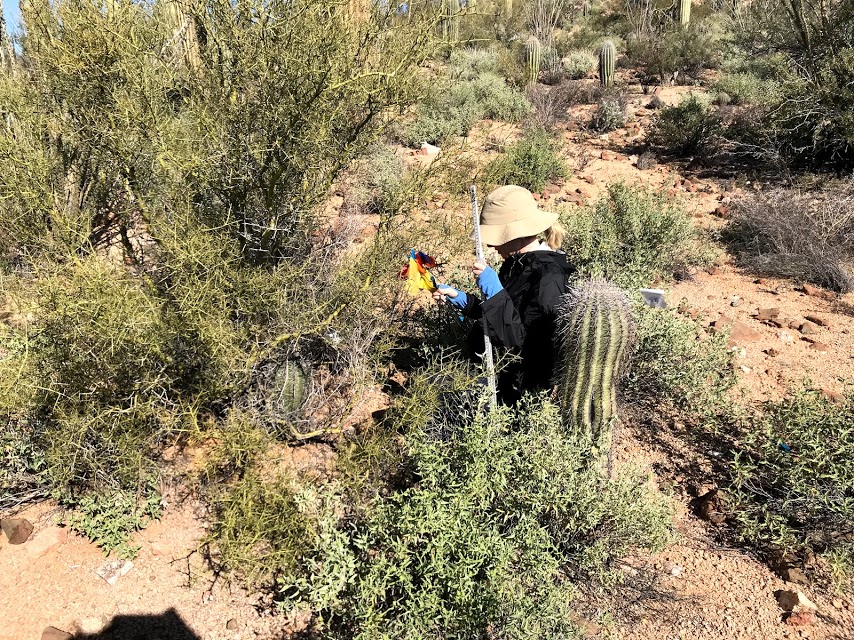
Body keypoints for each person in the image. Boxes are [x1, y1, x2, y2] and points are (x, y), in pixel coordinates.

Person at [434, 185, 574, 406]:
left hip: (516, 393)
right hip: (495, 375)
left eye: (497, 236)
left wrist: (495, 292)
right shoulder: (515, 264)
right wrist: (461, 300)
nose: (491, 244)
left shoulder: (548, 277)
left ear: (515, 234)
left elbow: (522, 342)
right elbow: (500, 318)